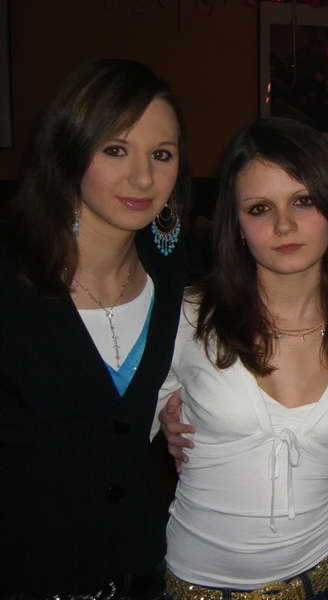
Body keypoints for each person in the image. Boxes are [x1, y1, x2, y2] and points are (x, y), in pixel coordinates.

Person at [155, 118, 328, 600]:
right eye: (260, 208)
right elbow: (112, 427)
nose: (284, 225)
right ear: (236, 226)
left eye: (304, 200)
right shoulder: (186, 317)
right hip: (198, 587)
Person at [0, 59, 189, 598]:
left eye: (162, 154)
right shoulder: (12, 280)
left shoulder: (172, 275)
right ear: (68, 151)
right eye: (115, 150)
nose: (143, 178)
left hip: (142, 569)